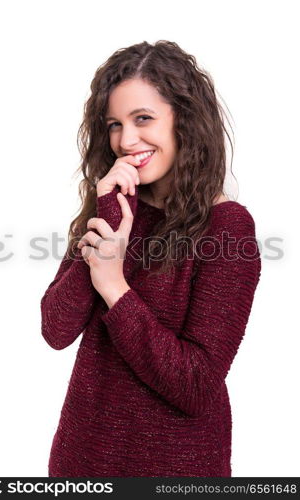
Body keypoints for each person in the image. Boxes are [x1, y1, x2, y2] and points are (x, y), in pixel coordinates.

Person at [40, 40, 262, 477]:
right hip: (81, 462)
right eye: (114, 124)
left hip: (175, 470)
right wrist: (107, 219)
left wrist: (114, 286)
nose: (126, 140)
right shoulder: (111, 205)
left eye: (143, 119)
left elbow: (196, 384)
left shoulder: (227, 228)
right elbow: (56, 329)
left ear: (185, 121)